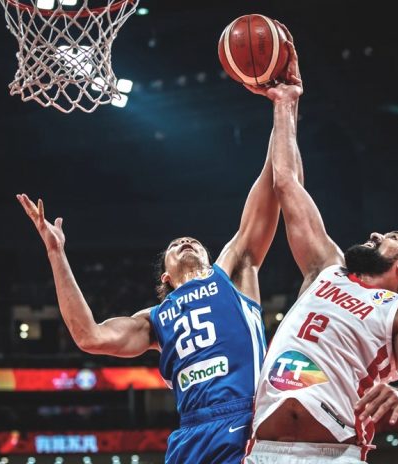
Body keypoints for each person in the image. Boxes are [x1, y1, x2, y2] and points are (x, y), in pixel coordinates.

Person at [15, 124, 280, 462]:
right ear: (166, 277)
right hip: (191, 432)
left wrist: (281, 108)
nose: (185, 241)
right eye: (175, 244)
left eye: (193, 242)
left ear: (209, 258)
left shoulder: (231, 272)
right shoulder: (154, 319)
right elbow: (89, 336)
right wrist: (56, 253)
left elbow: (272, 184)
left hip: (244, 417)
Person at [243, 30, 398, 463]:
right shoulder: (325, 268)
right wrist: (286, 101)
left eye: (392, 239)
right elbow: (286, 183)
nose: (376, 235)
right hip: (264, 450)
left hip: (333, 452)